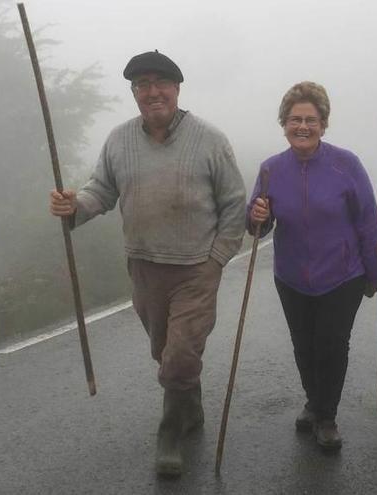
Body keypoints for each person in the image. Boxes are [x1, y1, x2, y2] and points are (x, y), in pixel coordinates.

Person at [49, 50, 246, 477]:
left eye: (160, 83)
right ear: (135, 93)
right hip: (143, 267)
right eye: (142, 85)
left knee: (179, 354)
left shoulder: (209, 139)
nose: (152, 92)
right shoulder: (119, 140)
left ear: (177, 89)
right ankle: (189, 408)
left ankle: (169, 433)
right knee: (165, 352)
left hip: (196, 268)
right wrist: (73, 207)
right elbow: (100, 190)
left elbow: (234, 205)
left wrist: (216, 260)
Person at [248, 81, 377, 451]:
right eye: (294, 119)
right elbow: (257, 225)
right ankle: (313, 400)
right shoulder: (271, 169)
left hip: (342, 275)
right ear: (284, 124)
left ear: (323, 124)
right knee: (303, 345)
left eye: (310, 119)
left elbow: (368, 220)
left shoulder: (346, 164)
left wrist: (375, 274)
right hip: (291, 276)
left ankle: (326, 417)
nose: (302, 126)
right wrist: (257, 214)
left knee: (332, 345)